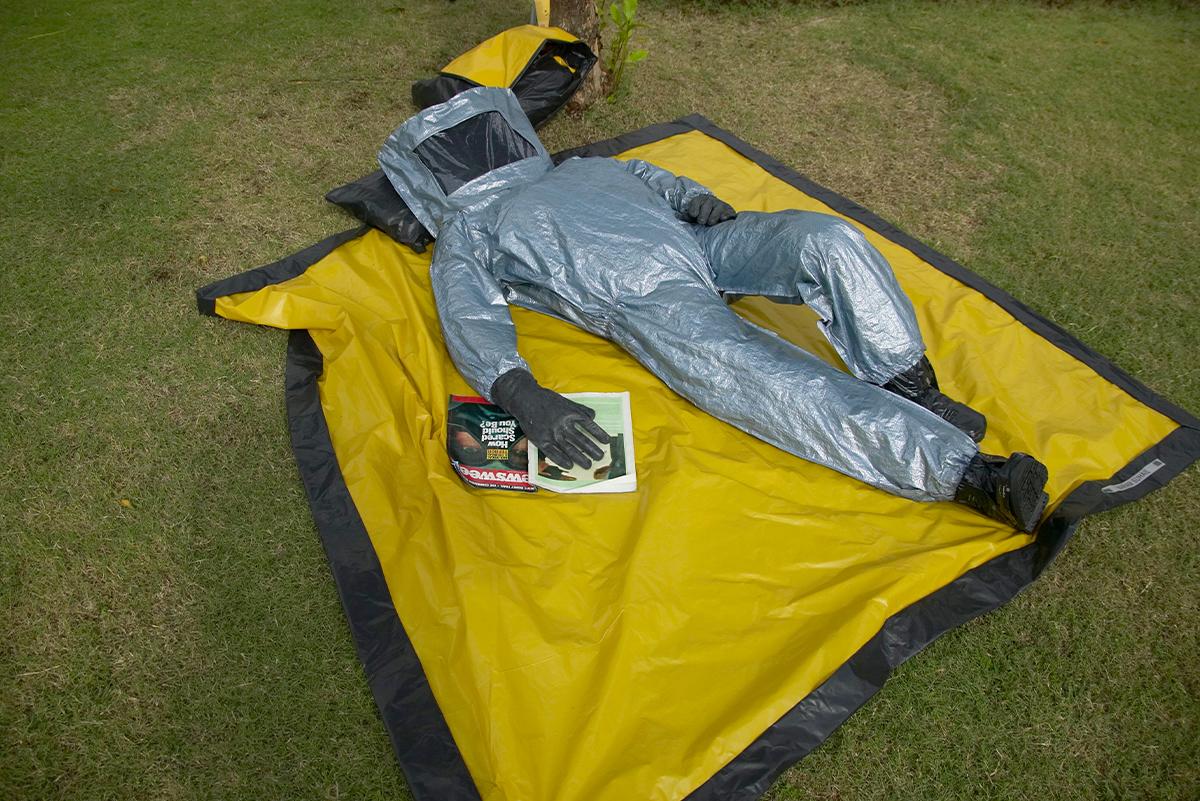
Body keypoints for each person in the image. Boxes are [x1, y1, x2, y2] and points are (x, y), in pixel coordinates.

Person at [379, 87, 1049, 532]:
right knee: (755, 370)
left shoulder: (579, 166)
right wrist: (520, 390)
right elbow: (469, 312)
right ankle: (968, 474)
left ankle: (912, 387)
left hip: (705, 243)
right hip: (650, 303)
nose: (475, 145)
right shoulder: (470, 228)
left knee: (825, 238)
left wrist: (692, 196)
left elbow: (647, 177)